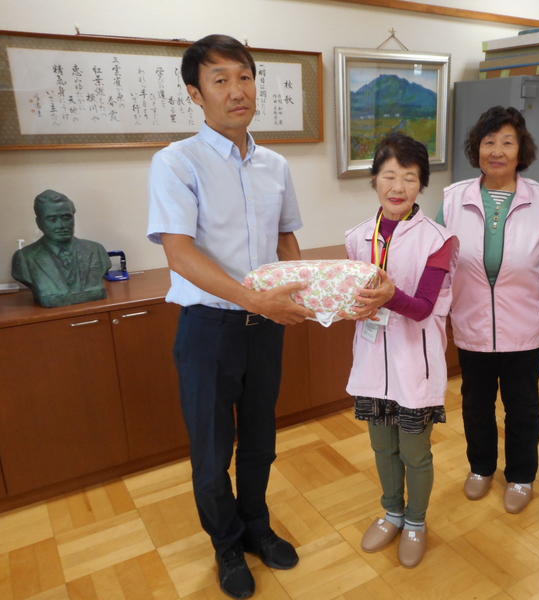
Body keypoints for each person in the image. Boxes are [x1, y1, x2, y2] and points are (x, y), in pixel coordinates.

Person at [147, 34, 313, 599]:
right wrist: (254, 299)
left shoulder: (275, 164)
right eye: (220, 80)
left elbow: (285, 239)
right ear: (196, 94)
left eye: (244, 77)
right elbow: (179, 253)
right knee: (213, 449)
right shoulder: (176, 162)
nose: (237, 91)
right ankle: (226, 543)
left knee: (261, 438)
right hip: (209, 329)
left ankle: (257, 526)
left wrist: (304, 291)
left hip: (265, 329)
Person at [437, 106, 539, 514]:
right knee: (475, 403)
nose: (497, 151)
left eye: (507, 142)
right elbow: (439, 260)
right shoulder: (453, 199)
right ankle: (481, 467)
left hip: (524, 325)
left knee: (522, 406)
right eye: (489, 142)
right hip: (471, 323)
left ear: (520, 150)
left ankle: (522, 475)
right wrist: (441, 315)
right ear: (476, 149)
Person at [343, 133, 457, 568]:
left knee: (415, 452)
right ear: (374, 179)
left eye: (409, 177)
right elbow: (353, 299)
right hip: (373, 361)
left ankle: (415, 521)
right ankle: (391, 512)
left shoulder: (439, 240)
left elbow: (424, 307)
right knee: (382, 447)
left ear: (421, 184)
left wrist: (389, 296)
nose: (397, 187)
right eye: (389, 175)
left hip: (415, 363)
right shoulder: (357, 238)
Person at [12, 189, 110, 307]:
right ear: (39, 223)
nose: (61, 225)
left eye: (66, 217)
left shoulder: (96, 250)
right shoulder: (24, 258)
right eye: (52, 219)